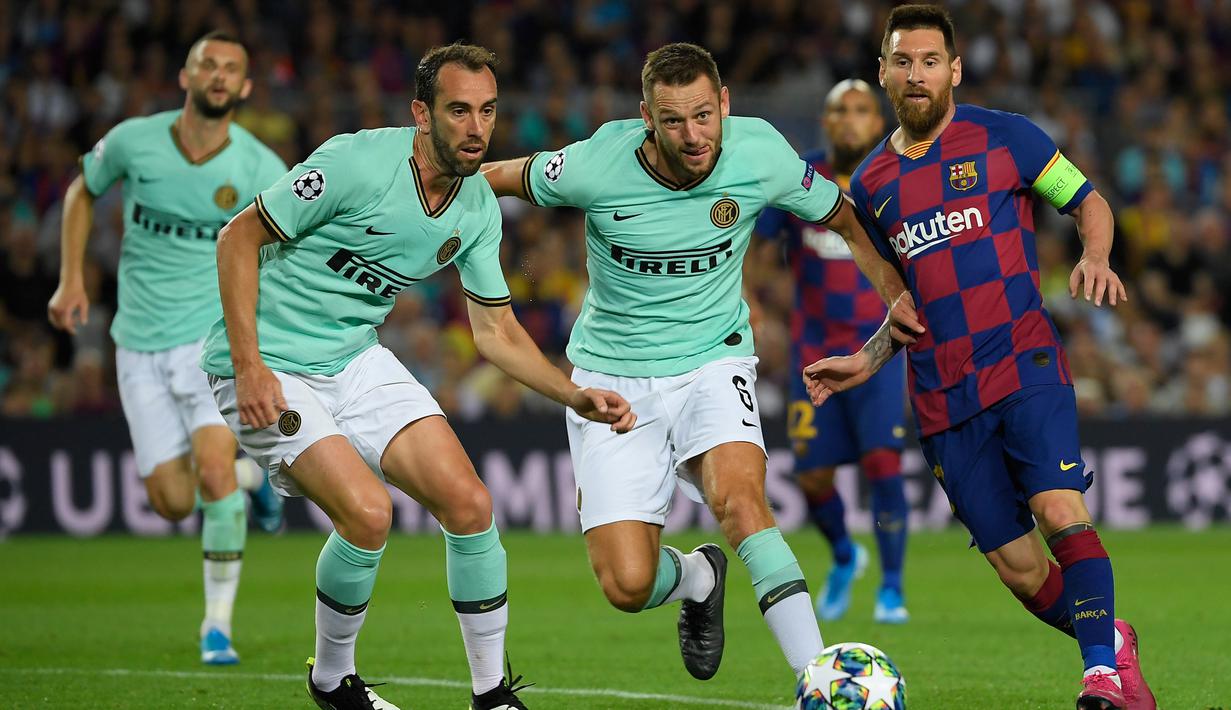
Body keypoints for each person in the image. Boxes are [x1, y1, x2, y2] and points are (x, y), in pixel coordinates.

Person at [200, 43, 634, 710]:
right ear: (420, 113)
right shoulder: (357, 162)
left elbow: (496, 333)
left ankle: (491, 694)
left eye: (486, 111)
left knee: (469, 504)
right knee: (369, 514)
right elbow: (237, 236)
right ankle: (332, 681)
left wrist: (571, 391)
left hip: (352, 357)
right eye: (457, 110)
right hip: (267, 363)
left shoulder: (476, 210)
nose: (474, 127)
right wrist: (250, 365)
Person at [482, 43, 916, 685]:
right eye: (673, 120)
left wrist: (895, 296)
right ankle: (697, 576)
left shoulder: (760, 152)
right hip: (611, 378)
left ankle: (818, 679)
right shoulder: (598, 161)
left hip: (714, 361)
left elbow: (846, 220)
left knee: (742, 502)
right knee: (627, 584)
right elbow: (487, 180)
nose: (693, 135)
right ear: (646, 118)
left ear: (725, 106)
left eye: (704, 115)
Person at [802, 6, 1155, 710]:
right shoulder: (870, 185)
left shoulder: (1005, 139)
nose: (916, 75)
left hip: (1022, 365)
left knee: (1060, 510)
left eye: (930, 61)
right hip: (941, 399)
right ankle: (1109, 640)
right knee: (1020, 570)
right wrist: (865, 361)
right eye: (902, 62)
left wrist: (1093, 254)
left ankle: (1098, 679)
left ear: (953, 69)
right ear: (882, 74)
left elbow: (1086, 201)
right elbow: (903, 305)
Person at [47, 30, 287, 666]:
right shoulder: (133, 141)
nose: (218, 75)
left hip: (210, 339)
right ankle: (249, 479)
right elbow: (81, 193)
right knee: (171, 501)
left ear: (245, 88)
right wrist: (72, 277)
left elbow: (290, 248)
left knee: (208, 474)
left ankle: (217, 627)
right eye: (207, 63)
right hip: (136, 344)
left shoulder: (262, 168)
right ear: (185, 75)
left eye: (231, 68)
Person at [752, 78, 910, 625]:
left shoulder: (895, 177)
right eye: (839, 110)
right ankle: (845, 556)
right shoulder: (801, 178)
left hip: (881, 348)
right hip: (812, 350)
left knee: (883, 463)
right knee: (814, 477)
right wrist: (751, 301)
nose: (849, 119)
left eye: (861, 110)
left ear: (878, 120)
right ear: (826, 120)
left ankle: (892, 589)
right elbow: (757, 245)